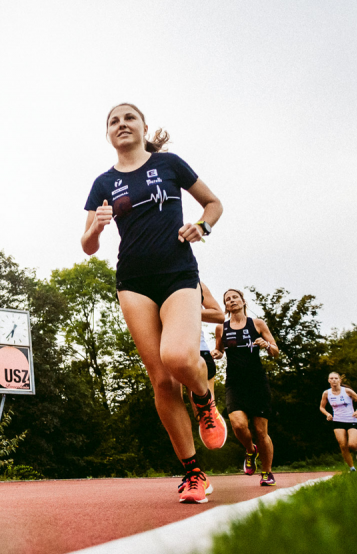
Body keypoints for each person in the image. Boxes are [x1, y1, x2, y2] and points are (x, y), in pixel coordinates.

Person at [82, 103, 224, 505]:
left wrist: (202, 226)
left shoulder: (169, 164)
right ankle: (193, 474)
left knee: (180, 358)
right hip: (133, 282)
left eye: (129, 118)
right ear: (108, 134)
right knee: (161, 380)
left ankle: (204, 399)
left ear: (144, 127)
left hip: (178, 273)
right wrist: (96, 226)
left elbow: (214, 204)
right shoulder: (103, 183)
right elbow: (88, 246)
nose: (122, 124)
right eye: (114, 121)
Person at [212, 289, 279, 486]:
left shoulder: (257, 324)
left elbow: (275, 352)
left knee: (261, 431)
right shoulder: (221, 328)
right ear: (226, 306)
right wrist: (216, 353)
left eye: (234, 297)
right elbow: (220, 349)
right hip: (234, 382)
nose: (231, 301)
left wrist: (266, 345)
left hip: (257, 382)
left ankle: (267, 473)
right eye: (227, 299)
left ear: (243, 301)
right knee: (239, 425)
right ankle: (250, 450)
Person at [178, 281, 225, 495]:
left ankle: (211, 412)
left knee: (201, 413)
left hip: (198, 350)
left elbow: (218, 315)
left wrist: (185, 307)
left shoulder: (194, 281)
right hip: (166, 351)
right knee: (177, 407)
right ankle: (193, 471)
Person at [320, 372, 357, 472]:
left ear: (340, 380)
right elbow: (321, 407)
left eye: (336, 378)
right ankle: (352, 468)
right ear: (328, 381)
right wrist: (327, 414)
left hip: (351, 420)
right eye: (331, 378)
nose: (334, 380)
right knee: (343, 445)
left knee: (352, 444)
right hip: (338, 421)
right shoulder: (326, 393)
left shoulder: (347, 391)